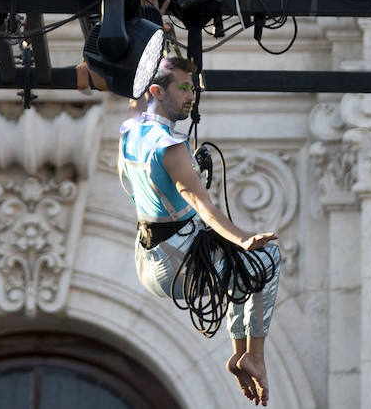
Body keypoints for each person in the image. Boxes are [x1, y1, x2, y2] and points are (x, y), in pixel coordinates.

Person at [118, 56, 281, 406]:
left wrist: (158, 34)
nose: (191, 94)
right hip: (176, 263)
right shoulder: (170, 147)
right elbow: (204, 206)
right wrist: (243, 239)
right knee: (266, 259)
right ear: (158, 91)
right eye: (183, 87)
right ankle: (255, 356)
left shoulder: (131, 134)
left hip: (148, 258)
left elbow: (137, 97)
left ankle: (241, 356)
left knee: (241, 269)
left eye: (192, 87)